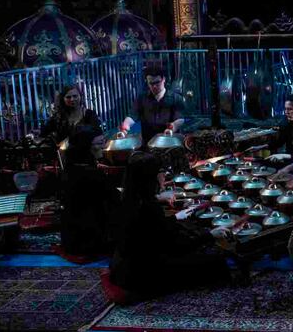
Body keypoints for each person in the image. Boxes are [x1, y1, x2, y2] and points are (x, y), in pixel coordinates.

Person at [109, 152, 236, 297]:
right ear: (151, 177)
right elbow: (175, 246)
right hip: (143, 275)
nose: (164, 177)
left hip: (121, 268)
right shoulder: (148, 207)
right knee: (216, 262)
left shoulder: (126, 199)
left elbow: (153, 231)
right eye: (161, 173)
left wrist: (174, 218)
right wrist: (210, 235)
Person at [59, 124, 117, 258]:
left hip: (70, 240)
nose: (103, 147)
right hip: (89, 242)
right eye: (99, 143)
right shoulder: (91, 174)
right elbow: (116, 198)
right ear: (86, 147)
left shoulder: (70, 169)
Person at [121, 65, 186, 144]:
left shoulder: (175, 98)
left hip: (171, 143)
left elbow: (180, 118)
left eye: (157, 82)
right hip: (148, 143)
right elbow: (132, 115)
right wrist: (126, 125)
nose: (154, 86)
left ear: (163, 79)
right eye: (151, 83)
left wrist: (173, 126)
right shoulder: (142, 99)